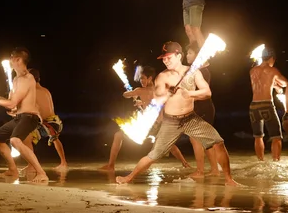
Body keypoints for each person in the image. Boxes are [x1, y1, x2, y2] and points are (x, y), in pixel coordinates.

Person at [116, 41, 238, 186]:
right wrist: (167, 94)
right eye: (164, 58)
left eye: (169, 57)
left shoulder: (193, 72)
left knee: (218, 142)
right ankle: (129, 177)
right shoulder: (162, 76)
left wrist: (190, 93)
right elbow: (157, 99)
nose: (165, 61)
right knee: (154, 155)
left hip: (190, 118)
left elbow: (207, 92)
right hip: (171, 122)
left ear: (179, 55)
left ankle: (229, 179)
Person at [99, 66, 191, 171]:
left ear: (150, 78)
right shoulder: (155, 89)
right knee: (118, 135)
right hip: (151, 124)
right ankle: (111, 165)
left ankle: (185, 163)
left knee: (169, 145)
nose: (141, 80)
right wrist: (141, 101)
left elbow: (125, 95)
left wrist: (134, 94)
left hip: (157, 124)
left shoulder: (143, 90)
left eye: (143, 78)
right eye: (140, 78)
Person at [0, 47, 49, 183]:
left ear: (18, 59)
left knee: (15, 140)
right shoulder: (16, 80)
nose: (9, 60)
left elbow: (11, 104)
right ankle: (12, 169)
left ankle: (41, 173)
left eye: (11, 57)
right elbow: (13, 105)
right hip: (20, 117)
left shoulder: (27, 79)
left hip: (30, 117)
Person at [185, 43, 220, 177]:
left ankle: (201, 171)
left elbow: (201, 92)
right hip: (200, 107)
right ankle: (214, 170)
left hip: (203, 107)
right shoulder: (196, 70)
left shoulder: (202, 71)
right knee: (203, 139)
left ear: (197, 55)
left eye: (189, 53)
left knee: (196, 139)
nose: (187, 55)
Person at [25, 68, 69, 172]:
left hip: (49, 123)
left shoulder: (34, 92)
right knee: (55, 139)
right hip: (56, 122)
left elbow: (36, 109)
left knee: (27, 138)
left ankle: (31, 165)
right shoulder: (45, 90)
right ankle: (64, 162)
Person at [249, 47, 288, 161]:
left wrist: (274, 85)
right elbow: (285, 83)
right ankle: (276, 161)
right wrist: (277, 84)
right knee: (276, 137)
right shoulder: (272, 70)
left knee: (258, 136)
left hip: (253, 106)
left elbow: (261, 83)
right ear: (271, 58)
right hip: (266, 105)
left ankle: (260, 161)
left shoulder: (252, 71)